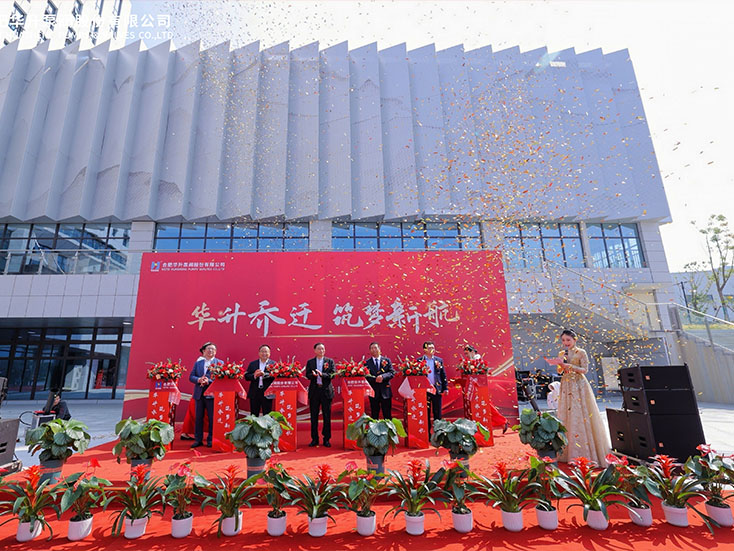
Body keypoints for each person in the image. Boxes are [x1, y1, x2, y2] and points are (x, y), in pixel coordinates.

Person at [555, 329, 611, 466]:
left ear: (575, 340)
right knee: (566, 414)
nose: (565, 343)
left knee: (580, 412)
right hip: (566, 383)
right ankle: (567, 452)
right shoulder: (562, 353)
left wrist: (570, 366)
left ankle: (585, 452)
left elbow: (584, 370)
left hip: (578, 384)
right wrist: (562, 364)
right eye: (563, 340)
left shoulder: (581, 352)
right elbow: (558, 370)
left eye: (568, 340)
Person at [463, 345, 509, 433]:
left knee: (488, 406)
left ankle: (503, 421)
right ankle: (501, 422)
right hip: (474, 389)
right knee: (485, 407)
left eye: (467, 353)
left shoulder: (477, 360)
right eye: (465, 354)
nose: (466, 355)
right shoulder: (470, 361)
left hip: (480, 387)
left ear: (472, 351)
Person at [188, 342, 223, 448]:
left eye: (213, 349)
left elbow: (221, 378)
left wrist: (209, 381)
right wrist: (199, 379)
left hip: (212, 395)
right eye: (208, 349)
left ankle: (211, 439)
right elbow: (191, 376)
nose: (210, 351)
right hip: (199, 393)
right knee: (198, 417)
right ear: (204, 351)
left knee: (212, 418)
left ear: (215, 352)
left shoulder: (219, 363)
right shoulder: (198, 363)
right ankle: (198, 439)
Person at [305, 343, 336, 447]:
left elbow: (333, 374)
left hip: (326, 391)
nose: (321, 350)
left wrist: (323, 375)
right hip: (314, 391)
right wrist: (313, 375)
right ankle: (314, 439)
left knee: (327, 416)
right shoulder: (310, 362)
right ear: (315, 350)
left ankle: (326, 439)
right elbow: (307, 375)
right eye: (319, 349)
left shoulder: (330, 361)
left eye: (323, 348)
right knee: (314, 416)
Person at [417, 341, 448, 431]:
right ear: (425, 350)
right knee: (426, 412)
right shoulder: (420, 361)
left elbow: (443, 375)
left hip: (436, 389)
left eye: (433, 348)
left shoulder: (438, 360)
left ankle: (438, 432)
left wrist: (445, 387)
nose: (432, 350)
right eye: (429, 348)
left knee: (437, 412)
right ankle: (427, 433)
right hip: (425, 391)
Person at [365, 342, 394, 419]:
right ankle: (374, 431)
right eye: (372, 348)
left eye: (375, 348)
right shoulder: (367, 363)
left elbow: (391, 373)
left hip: (385, 391)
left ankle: (388, 431)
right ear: (369, 351)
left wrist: (383, 377)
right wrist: (375, 379)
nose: (374, 350)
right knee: (374, 414)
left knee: (387, 414)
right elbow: (365, 376)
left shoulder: (387, 360)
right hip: (374, 392)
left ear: (379, 349)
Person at [245, 344, 275, 415]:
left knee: (267, 415)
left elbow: (275, 376)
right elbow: (246, 376)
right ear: (259, 353)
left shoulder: (273, 364)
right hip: (255, 393)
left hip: (267, 393)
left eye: (266, 352)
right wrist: (254, 375)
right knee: (254, 414)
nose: (264, 353)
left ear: (269, 353)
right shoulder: (253, 364)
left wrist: (264, 374)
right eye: (262, 351)